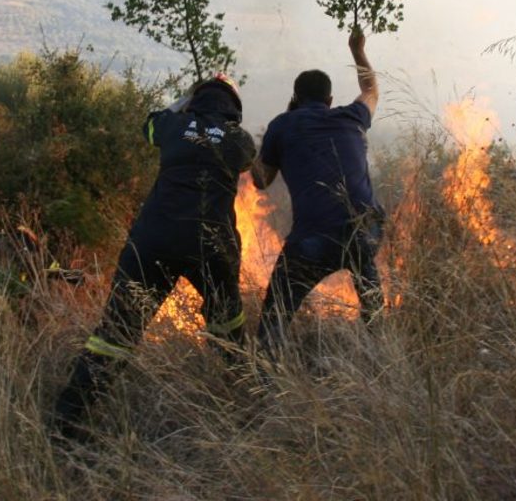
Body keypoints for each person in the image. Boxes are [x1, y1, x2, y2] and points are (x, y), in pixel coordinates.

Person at [53, 75, 256, 439]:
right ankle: (247, 401)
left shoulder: (172, 125)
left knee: (116, 333)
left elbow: (148, 124)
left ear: (196, 100)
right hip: (211, 246)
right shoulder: (239, 140)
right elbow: (248, 161)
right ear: (234, 109)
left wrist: (185, 100)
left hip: (153, 240)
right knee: (228, 325)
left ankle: (66, 420)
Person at [253, 27, 385, 353]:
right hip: (366, 228)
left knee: (276, 315)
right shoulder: (351, 116)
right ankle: (379, 346)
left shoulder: (282, 125)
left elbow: (260, 180)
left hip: (313, 239)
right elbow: (371, 89)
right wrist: (357, 50)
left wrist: (246, 151)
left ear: (295, 98)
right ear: (329, 100)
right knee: (366, 276)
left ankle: (267, 373)